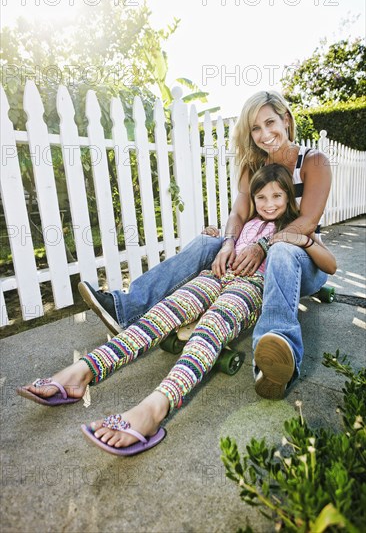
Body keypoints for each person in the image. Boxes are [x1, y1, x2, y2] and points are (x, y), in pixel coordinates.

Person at [17, 165, 336, 456]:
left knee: (209, 330)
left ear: (288, 198)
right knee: (162, 315)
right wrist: (221, 238)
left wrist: (301, 242)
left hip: (251, 287)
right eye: (261, 196)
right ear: (252, 199)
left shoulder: (294, 228)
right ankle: (82, 372)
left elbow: (327, 263)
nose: (269, 203)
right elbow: (227, 235)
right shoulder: (248, 222)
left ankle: (155, 407)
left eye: (277, 196)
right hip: (216, 275)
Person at [78, 90, 333, 400]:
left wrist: (263, 246)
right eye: (255, 128)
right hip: (258, 255)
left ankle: (277, 360)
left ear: (287, 120)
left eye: (270, 123)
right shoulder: (252, 165)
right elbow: (239, 212)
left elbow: (305, 222)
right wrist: (228, 243)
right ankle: (126, 307)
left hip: (302, 259)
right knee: (206, 242)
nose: (265, 134)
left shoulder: (314, 161)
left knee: (282, 249)